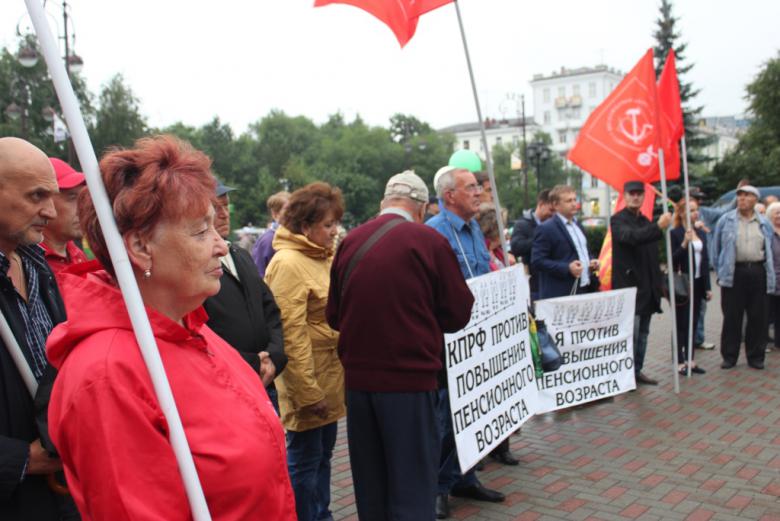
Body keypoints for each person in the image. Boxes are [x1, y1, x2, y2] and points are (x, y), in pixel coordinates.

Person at [46, 135, 296, 520]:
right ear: (141, 247)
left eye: (215, 227)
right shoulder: (108, 377)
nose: (222, 246)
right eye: (199, 231)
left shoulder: (192, 329)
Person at [326, 171, 474, 521]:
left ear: (384, 202)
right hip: (410, 383)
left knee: (371, 485)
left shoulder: (350, 242)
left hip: (359, 385)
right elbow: (458, 314)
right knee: (412, 486)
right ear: (421, 207)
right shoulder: (428, 241)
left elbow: (334, 315)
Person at [0, 138, 79, 520]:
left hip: (56, 496)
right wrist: (16, 460)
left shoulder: (37, 265)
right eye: (36, 196)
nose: (50, 210)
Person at [427, 165, 505, 519]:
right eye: (471, 187)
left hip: (480, 338)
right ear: (450, 196)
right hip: (450, 341)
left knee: (477, 411)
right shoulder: (434, 234)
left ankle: (465, 477)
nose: (479, 192)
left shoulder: (474, 229)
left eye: (478, 186)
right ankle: (438, 488)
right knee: (446, 419)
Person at [265, 182, 346, 521]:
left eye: (335, 223)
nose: (334, 231)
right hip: (308, 386)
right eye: (327, 225)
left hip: (328, 378)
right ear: (305, 226)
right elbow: (291, 335)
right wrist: (308, 393)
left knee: (322, 456)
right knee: (304, 461)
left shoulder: (319, 257)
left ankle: (321, 514)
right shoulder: (288, 263)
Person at [203, 180, 287, 412]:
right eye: (215, 208)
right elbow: (202, 333)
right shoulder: (195, 268)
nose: (223, 214)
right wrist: (252, 363)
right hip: (228, 386)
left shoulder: (240, 255)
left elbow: (270, 309)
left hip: (265, 380)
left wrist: (274, 355)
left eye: (226, 207)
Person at [611, 180, 672, 386]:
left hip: (647, 288)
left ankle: (637, 370)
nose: (635, 197)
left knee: (643, 333)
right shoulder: (618, 220)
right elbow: (631, 238)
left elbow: (652, 254)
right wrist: (658, 227)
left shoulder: (645, 220)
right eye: (631, 193)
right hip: (630, 288)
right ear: (625, 196)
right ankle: (626, 375)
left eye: (639, 194)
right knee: (632, 333)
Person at [711, 185, 775, 369]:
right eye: (739, 196)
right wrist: (720, 270)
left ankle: (756, 357)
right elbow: (716, 249)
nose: (742, 199)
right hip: (734, 273)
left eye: (747, 196)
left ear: (755, 199)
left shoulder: (763, 222)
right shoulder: (726, 220)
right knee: (732, 316)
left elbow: (769, 249)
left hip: (757, 271)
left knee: (758, 317)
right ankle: (729, 357)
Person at [531, 185, 598, 299]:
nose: (573, 204)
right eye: (568, 201)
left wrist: (591, 262)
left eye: (574, 199)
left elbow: (584, 252)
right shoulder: (546, 228)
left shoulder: (578, 225)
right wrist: (567, 268)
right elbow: (537, 261)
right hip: (562, 293)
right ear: (556, 205)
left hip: (584, 288)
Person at [670, 199, 711, 375]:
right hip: (683, 284)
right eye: (691, 210)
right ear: (681, 213)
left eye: (696, 210)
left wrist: (708, 287)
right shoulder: (675, 233)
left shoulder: (700, 232)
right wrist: (685, 243)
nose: (695, 213)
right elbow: (673, 260)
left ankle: (691, 360)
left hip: (698, 283)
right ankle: (679, 360)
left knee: (694, 323)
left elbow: (705, 261)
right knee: (681, 323)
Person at [41, 158, 88, 280]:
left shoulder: (76, 254)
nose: (82, 208)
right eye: (72, 197)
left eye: (83, 198)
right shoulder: (26, 262)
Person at [510, 189, 553, 300]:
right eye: (551, 210)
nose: (553, 214)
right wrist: (540, 240)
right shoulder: (522, 224)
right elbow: (516, 247)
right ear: (541, 204)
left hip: (550, 282)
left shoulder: (553, 225)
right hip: (533, 285)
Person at [252, 190, 290, 278]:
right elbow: (259, 273)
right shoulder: (268, 240)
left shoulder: (293, 237)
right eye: (287, 210)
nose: (292, 214)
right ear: (275, 214)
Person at [477, 203, 516, 271]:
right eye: (503, 226)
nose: (504, 230)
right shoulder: (482, 254)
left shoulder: (497, 251)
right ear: (495, 230)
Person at [767, 201, 780, 352]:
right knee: (769, 312)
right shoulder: (768, 232)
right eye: (776, 212)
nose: (779, 215)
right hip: (772, 278)